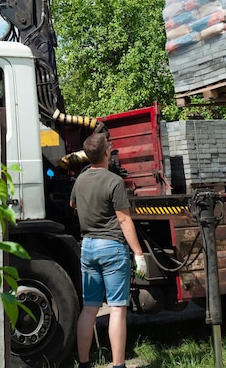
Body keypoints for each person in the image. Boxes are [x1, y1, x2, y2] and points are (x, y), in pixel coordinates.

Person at [70, 131, 147, 368]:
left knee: (89, 308)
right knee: (116, 308)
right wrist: (138, 254)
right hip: (111, 248)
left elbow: (73, 205)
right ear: (106, 153)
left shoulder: (80, 180)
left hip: (88, 247)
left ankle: (83, 363)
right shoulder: (114, 181)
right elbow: (124, 220)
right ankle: (118, 365)